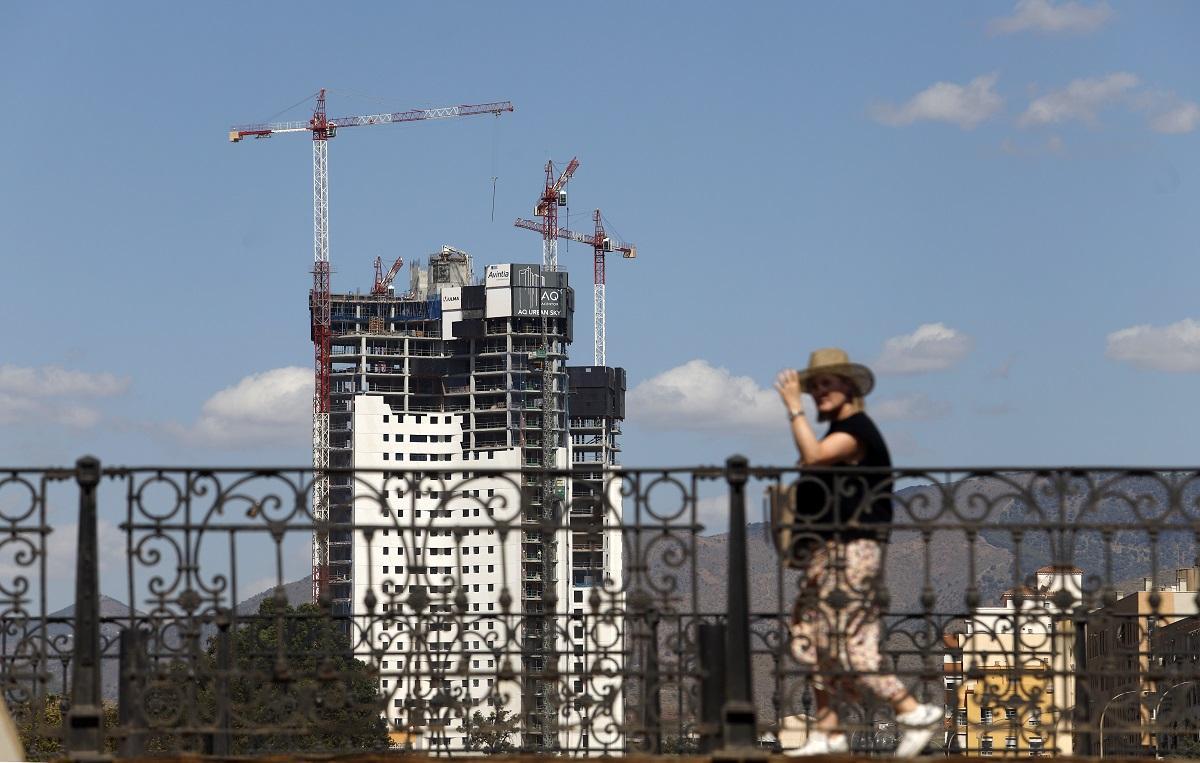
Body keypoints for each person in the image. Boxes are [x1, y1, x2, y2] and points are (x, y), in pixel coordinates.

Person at [773, 348, 941, 757]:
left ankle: (912, 710)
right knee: (814, 637)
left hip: (852, 553)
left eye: (826, 384)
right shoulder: (838, 434)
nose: (818, 393)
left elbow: (812, 458)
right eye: (813, 388)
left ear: (848, 387)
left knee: (849, 645)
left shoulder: (857, 430)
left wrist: (793, 408)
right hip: (829, 554)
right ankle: (828, 730)